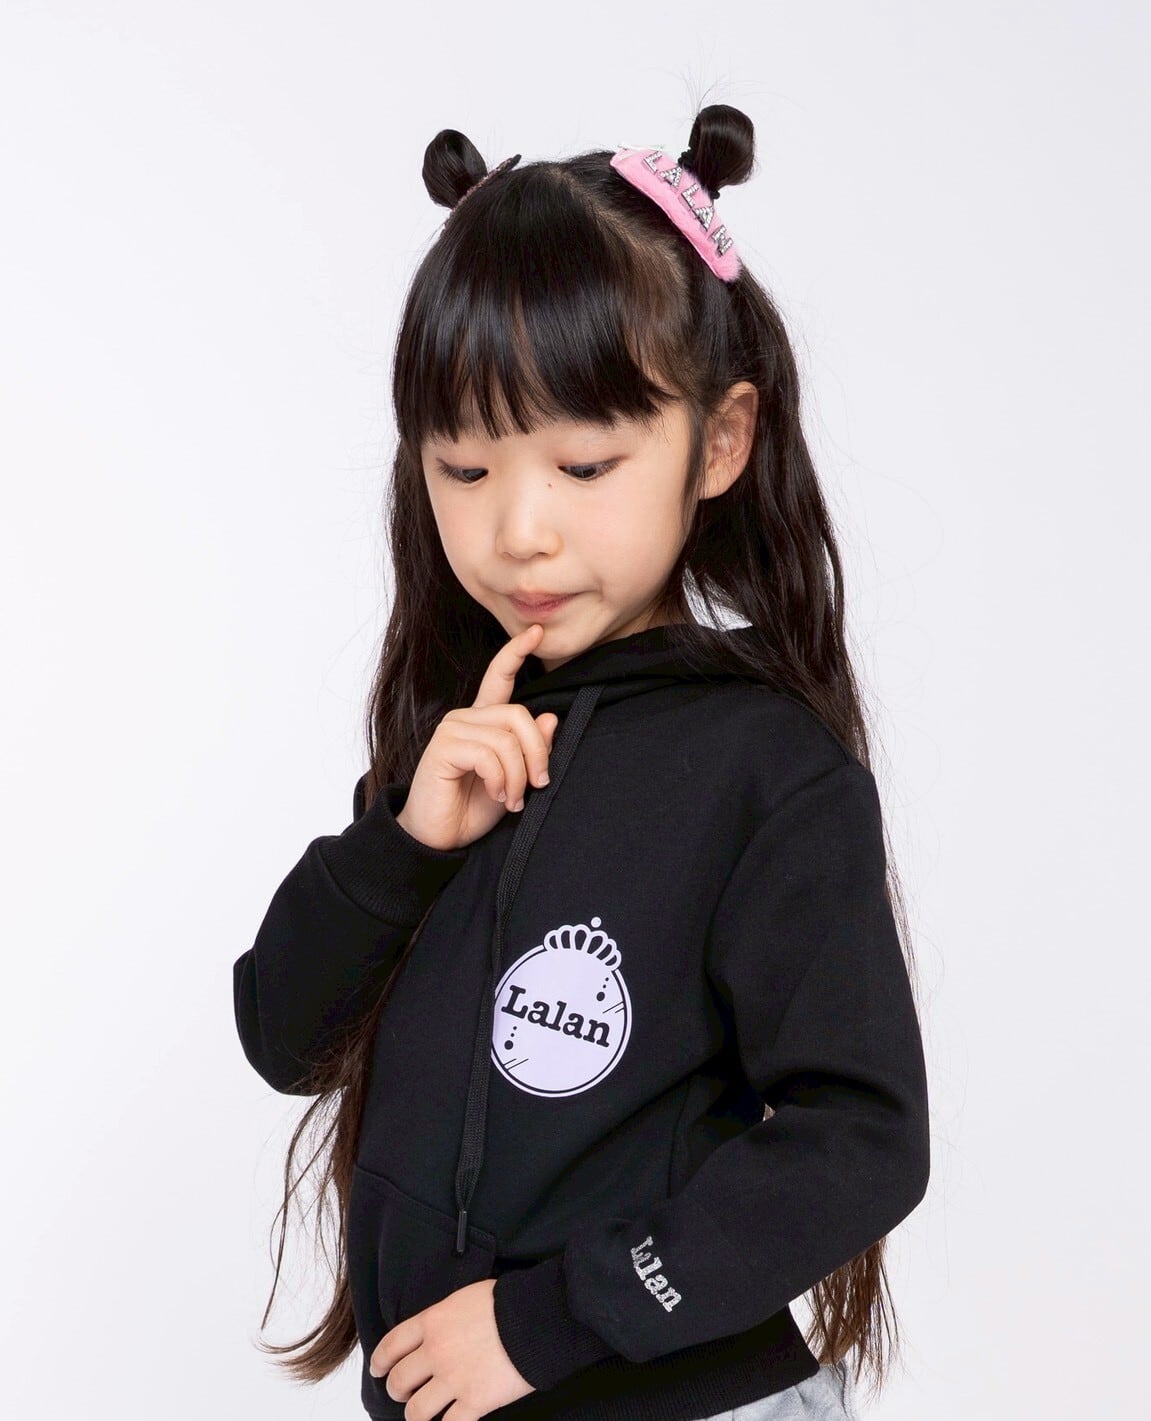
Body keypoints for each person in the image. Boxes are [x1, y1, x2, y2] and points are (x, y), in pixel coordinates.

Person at [232, 103, 930, 1421]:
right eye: (465, 467)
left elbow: (863, 1137)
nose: (519, 530)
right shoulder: (456, 745)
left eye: (585, 463)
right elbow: (285, 1036)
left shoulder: (765, 771)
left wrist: (548, 1321)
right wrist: (402, 845)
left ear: (719, 442)